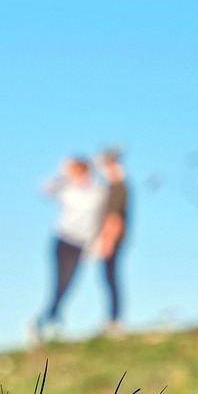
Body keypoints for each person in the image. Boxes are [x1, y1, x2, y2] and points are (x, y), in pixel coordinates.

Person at [32, 156, 106, 342]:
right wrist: (63, 175)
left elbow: (98, 221)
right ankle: (49, 320)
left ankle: (47, 320)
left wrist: (92, 247)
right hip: (63, 241)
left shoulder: (97, 192)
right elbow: (44, 189)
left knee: (69, 284)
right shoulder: (66, 188)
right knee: (59, 283)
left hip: (81, 245)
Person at [93, 146, 129, 336]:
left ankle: (114, 320)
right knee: (109, 279)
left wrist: (107, 242)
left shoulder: (118, 187)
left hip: (112, 242)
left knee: (111, 279)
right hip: (112, 241)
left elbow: (114, 218)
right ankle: (113, 319)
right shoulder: (114, 186)